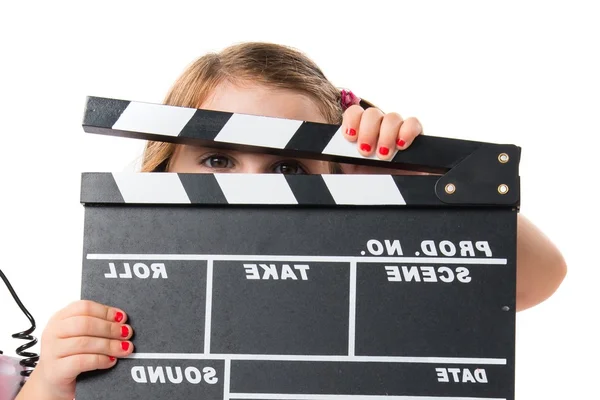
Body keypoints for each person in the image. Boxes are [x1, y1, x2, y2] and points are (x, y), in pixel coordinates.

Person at [15, 42, 567, 400]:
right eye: (217, 158)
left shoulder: (370, 270)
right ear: (163, 169)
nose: (252, 186)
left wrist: (413, 181)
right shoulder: (132, 298)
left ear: (336, 178)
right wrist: (50, 381)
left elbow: (541, 276)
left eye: (286, 165)